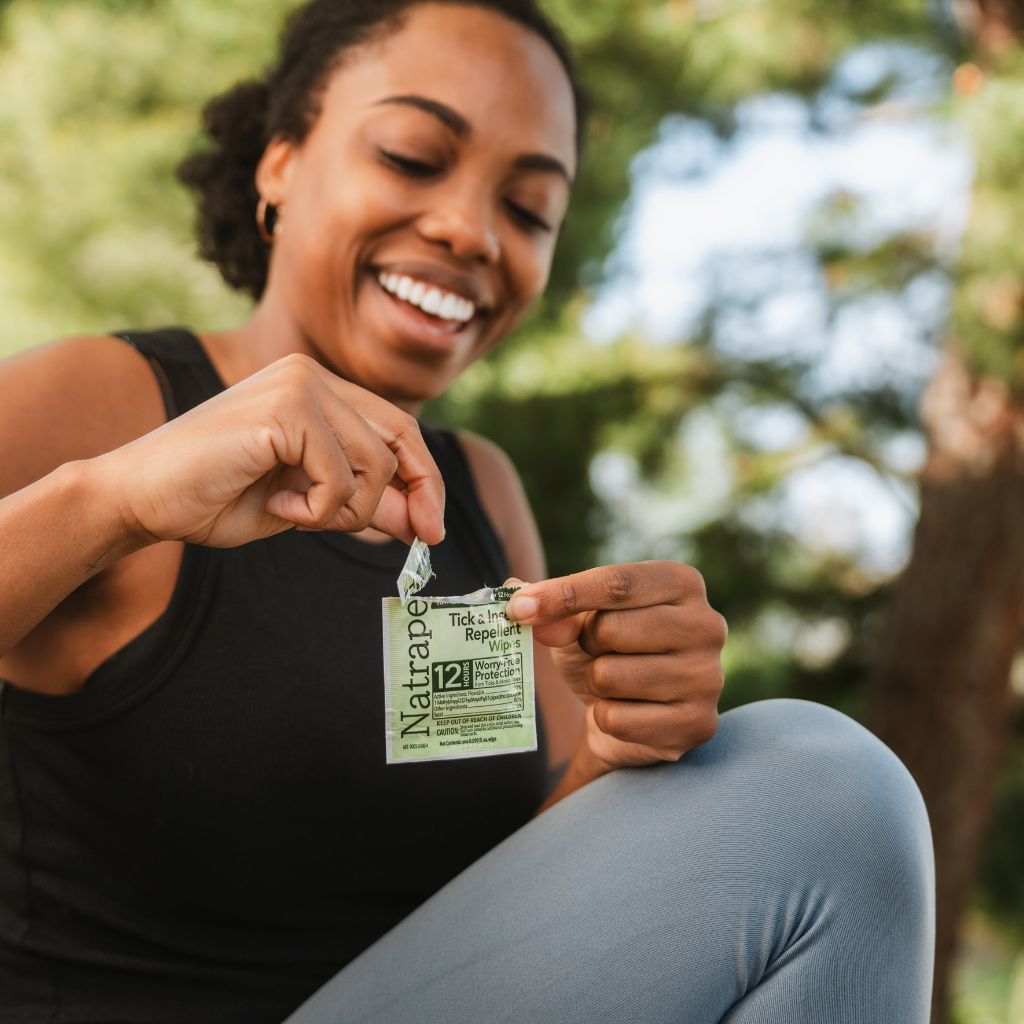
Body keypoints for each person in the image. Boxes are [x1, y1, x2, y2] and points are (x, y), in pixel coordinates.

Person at [0, 1, 934, 1022]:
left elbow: (525, 904)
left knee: (794, 785)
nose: (469, 230)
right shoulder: (97, 402)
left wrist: (617, 746)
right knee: (824, 786)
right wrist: (115, 499)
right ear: (280, 165)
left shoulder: (480, 490)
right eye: (411, 156)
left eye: (529, 209)